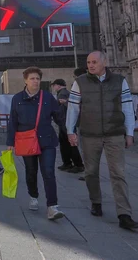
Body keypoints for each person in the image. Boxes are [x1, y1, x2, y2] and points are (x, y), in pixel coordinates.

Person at [67, 51, 138, 230]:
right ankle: (96, 202)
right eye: (88, 62)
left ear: (104, 63)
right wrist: (70, 130)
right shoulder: (80, 82)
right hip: (90, 134)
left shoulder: (119, 81)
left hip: (114, 133)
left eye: (94, 62)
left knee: (118, 174)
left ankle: (124, 214)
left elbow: (128, 108)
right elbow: (73, 108)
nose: (90, 65)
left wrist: (129, 132)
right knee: (91, 172)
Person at [7, 67, 64, 221]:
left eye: (38, 78)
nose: (35, 81)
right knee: (31, 171)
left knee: (48, 172)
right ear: (25, 80)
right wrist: (10, 141)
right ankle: (33, 195)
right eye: (32, 78)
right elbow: (12, 120)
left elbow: (58, 116)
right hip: (27, 141)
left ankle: (52, 206)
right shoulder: (17, 98)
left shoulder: (47, 97)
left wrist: (70, 131)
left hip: (46, 140)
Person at [51, 79, 84, 174]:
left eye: (54, 85)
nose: (53, 87)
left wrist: (60, 121)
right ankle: (68, 162)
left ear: (58, 85)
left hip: (65, 122)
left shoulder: (62, 94)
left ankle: (77, 164)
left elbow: (62, 111)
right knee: (65, 143)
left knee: (70, 143)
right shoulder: (65, 92)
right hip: (66, 122)